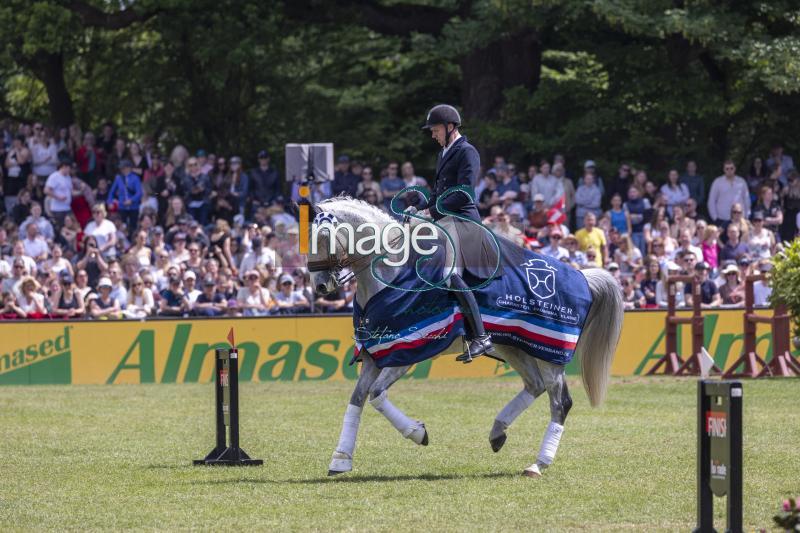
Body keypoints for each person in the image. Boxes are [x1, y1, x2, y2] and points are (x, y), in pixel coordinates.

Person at [416, 103, 495, 361]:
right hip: (444, 220)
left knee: (449, 275)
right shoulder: (443, 154)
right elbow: (438, 194)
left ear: (450, 127)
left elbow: (463, 193)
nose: (433, 135)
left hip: (462, 221)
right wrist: (419, 209)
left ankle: (481, 337)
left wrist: (431, 213)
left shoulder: (467, 151)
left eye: (436, 129)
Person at [707, 160, 750, 227]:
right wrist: (715, 218)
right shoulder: (717, 182)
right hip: (722, 218)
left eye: (731, 168)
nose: (729, 170)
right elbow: (711, 201)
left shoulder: (742, 181)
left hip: (740, 219)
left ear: (735, 169)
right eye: (727, 168)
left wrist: (747, 216)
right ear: (724, 170)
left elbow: (747, 199)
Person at [108, 159, 143, 234]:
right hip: (122, 207)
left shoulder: (135, 178)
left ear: (129, 168)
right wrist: (110, 202)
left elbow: (139, 193)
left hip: (134, 207)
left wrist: (131, 200)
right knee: (122, 226)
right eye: (122, 168)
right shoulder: (118, 178)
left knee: (133, 226)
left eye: (124, 168)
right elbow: (111, 192)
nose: (122, 170)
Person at [44, 158, 74, 227]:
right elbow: (46, 190)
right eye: (69, 168)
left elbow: (70, 191)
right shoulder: (54, 176)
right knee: (60, 227)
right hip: (58, 209)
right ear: (64, 167)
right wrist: (58, 197)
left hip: (67, 207)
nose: (70, 170)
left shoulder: (68, 177)